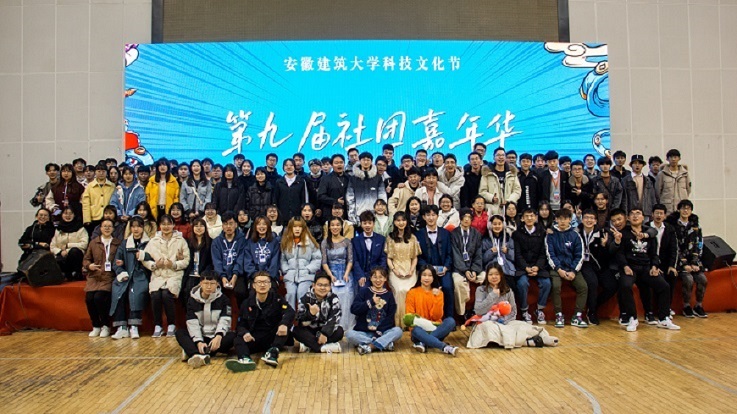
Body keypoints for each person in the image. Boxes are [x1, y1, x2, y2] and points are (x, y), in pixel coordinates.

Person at [617, 208, 680, 332]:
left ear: (643, 217)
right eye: (632, 214)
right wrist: (625, 266)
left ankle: (664, 318)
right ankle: (632, 317)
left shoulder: (649, 233)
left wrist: (654, 266)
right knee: (625, 285)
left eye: (638, 214)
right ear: (628, 218)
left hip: (646, 267)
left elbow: (654, 254)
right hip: (630, 267)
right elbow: (620, 253)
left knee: (664, 286)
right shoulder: (623, 233)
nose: (635, 216)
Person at [227, 271, 295, 371]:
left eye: (265, 282)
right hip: (254, 338)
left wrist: (284, 324)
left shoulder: (277, 300)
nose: (262, 285)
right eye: (259, 282)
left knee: (285, 328)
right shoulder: (246, 303)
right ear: (254, 285)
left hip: (272, 338)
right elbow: (240, 324)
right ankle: (245, 359)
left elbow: (290, 312)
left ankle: (272, 353)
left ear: (270, 285)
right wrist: (245, 333)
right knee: (237, 339)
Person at [142, 214, 191, 338]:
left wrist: (173, 264)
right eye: (163, 224)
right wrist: (154, 265)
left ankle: (171, 325)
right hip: (158, 274)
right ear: (159, 226)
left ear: (173, 225)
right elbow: (145, 259)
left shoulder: (181, 240)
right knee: (155, 295)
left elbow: (186, 261)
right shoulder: (153, 241)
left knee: (166, 294)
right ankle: (158, 325)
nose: (166, 227)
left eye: (169, 224)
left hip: (174, 274)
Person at [177, 270, 236, 368]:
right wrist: (198, 341)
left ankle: (193, 351)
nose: (209, 287)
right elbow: (192, 323)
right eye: (206, 283)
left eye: (212, 283)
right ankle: (196, 355)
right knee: (180, 333)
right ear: (200, 283)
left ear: (217, 284)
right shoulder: (192, 300)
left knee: (233, 336)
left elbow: (225, 320)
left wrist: (218, 336)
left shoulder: (224, 299)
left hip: (216, 337)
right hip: (201, 336)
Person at [545, 208, 588, 328]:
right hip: (556, 268)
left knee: (583, 287)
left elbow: (580, 255)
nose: (562, 221)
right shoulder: (550, 235)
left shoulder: (575, 235)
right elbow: (550, 254)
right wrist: (559, 269)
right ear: (556, 220)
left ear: (570, 219)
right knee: (555, 286)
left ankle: (577, 316)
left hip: (572, 268)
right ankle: (559, 315)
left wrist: (573, 271)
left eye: (565, 219)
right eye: (560, 219)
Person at [346, 267, 403, 354]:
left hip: (382, 332)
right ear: (371, 278)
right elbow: (354, 309)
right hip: (364, 332)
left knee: (398, 331)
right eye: (375, 277)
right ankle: (383, 344)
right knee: (349, 334)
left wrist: (379, 332)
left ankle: (370, 346)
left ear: (385, 278)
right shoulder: (364, 292)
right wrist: (371, 302)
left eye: (381, 277)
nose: (378, 280)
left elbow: (390, 317)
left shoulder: (389, 295)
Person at [110, 216, 150, 340]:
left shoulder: (149, 243)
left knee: (136, 292)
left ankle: (134, 326)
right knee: (118, 291)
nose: (136, 229)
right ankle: (121, 327)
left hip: (141, 276)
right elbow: (117, 262)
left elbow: (153, 258)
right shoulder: (124, 243)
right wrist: (121, 272)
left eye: (139, 226)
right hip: (126, 275)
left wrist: (144, 256)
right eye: (133, 226)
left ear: (143, 228)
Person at [406, 265, 458, 356]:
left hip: (435, 328)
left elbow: (437, 316)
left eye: (430, 275)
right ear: (420, 276)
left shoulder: (439, 293)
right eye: (424, 275)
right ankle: (444, 347)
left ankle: (423, 342)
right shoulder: (412, 293)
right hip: (419, 331)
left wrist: (437, 298)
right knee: (415, 329)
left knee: (451, 321)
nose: (427, 278)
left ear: (434, 277)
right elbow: (410, 317)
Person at [512, 208, 552, 325]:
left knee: (547, 283)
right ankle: (524, 310)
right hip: (522, 267)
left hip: (538, 266)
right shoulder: (516, 234)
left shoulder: (542, 233)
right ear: (522, 218)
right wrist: (526, 267)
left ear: (536, 218)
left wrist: (537, 267)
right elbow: (517, 254)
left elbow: (543, 254)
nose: (529, 218)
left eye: (532, 216)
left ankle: (540, 310)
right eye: (527, 216)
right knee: (522, 283)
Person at [668, 200, 708, 318]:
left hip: (694, 262)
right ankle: (686, 306)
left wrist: (695, 262)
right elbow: (674, 247)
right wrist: (684, 264)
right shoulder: (673, 226)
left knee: (702, 279)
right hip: (679, 263)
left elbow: (699, 245)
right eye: (683, 208)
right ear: (679, 210)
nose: (685, 211)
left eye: (688, 208)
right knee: (688, 279)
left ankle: (698, 305)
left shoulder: (696, 227)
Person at [83, 218, 121, 338]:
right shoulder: (94, 243)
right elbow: (86, 259)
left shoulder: (117, 243)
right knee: (89, 298)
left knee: (99, 298)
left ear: (113, 229)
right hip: (94, 276)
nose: (107, 228)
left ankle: (106, 325)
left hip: (109, 277)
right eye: (105, 226)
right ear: (100, 228)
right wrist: (89, 265)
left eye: (109, 226)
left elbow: (121, 258)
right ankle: (96, 325)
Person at [416, 205, 454, 319]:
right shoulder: (418, 234)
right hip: (426, 270)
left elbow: (450, 254)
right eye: (428, 215)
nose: (431, 218)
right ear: (424, 217)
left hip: (443, 269)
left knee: (447, 287)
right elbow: (418, 256)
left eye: (433, 215)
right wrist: (428, 269)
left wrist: (446, 267)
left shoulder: (446, 233)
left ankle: (449, 318)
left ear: (437, 216)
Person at [385, 211, 421, 327]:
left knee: (408, 290)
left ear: (407, 221)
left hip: (409, 269)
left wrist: (411, 270)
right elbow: (389, 258)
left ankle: (410, 322)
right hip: (395, 269)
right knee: (400, 290)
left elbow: (415, 257)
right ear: (394, 222)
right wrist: (394, 270)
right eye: (398, 220)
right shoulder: (390, 238)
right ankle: (398, 323)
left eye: (403, 220)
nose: (401, 223)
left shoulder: (412, 238)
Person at [293, 273, 344, 353]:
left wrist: (325, 333)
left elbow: (335, 317)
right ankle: (324, 348)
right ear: (314, 285)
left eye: (326, 285)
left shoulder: (334, 298)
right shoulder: (305, 298)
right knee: (296, 331)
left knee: (339, 331)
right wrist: (310, 314)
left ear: (330, 286)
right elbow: (300, 319)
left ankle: (310, 346)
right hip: (310, 330)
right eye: (320, 285)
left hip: (325, 330)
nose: (323, 288)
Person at [577, 209, 611, 326]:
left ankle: (594, 305)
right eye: (586, 218)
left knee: (611, 286)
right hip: (584, 264)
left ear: (596, 221)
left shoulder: (602, 234)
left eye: (592, 218)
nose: (589, 220)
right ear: (582, 220)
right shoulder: (576, 232)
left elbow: (606, 256)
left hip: (599, 265)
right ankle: (591, 312)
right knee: (593, 283)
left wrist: (603, 245)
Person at [280, 217, 322, 309]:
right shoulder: (286, 242)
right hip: (290, 276)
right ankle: (290, 317)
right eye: (295, 226)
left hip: (306, 276)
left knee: (301, 294)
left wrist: (308, 269)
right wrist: (286, 270)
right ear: (290, 228)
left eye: (300, 227)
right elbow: (283, 260)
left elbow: (317, 259)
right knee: (290, 294)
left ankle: (302, 317)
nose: (297, 229)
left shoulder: (310, 242)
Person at [647, 203, 679, 321]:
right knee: (657, 280)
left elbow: (674, 249)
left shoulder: (670, 229)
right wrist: (654, 265)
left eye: (661, 213)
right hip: (650, 262)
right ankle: (652, 310)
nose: (659, 216)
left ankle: (666, 307)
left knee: (672, 275)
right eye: (657, 213)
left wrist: (671, 266)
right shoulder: (646, 228)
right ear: (652, 214)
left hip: (665, 263)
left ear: (665, 216)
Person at [450, 208, 485, 318]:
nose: (466, 220)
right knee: (458, 283)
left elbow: (478, 254)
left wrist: (474, 270)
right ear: (460, 218)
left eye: (469, 217)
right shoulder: (454, 234)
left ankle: (478, 309)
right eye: (464, 217)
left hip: (474, 268)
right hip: (459, 269)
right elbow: (455, 255)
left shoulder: (476, 234)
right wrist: (465, 270)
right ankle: (462, 313)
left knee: (485, 277)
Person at [322, 216, 355, 330]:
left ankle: (346, 326)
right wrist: (330, 275)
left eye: (337, 225)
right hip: (331, 273)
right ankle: (333, 326)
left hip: (345, 272)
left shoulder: (347, 242)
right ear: (329, 227)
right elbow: (324, 262)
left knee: (347, 293)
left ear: (341, 227)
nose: (335, 227)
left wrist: (346, 273)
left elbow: (350, 260)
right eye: (332, 225)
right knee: (333, 293)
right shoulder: (325, 242)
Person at [212, 212, 248, 305]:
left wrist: (234, 276)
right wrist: (223, 277)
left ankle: (241, 313)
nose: (228, 226)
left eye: (231, 223)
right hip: (221, 274)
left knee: (241, 291)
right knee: (214, 290)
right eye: (225, 224)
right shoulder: (216, 242)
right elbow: (217, 261)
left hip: (238, 274)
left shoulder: (242, 240)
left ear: (236, 224)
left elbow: (241, 259)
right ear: (222, 226)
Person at [347, 151, 387, 225]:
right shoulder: (353, 178)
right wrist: (351, 215)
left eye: (368, 160)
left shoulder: (377, 178)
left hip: (374, 215)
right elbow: (350, 198)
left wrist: (382, 212)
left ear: (371, 162)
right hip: (358, 215)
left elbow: (382, 196)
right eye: (363, 160)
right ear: (359, 161)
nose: (366, 162)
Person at [352, 211, 388, 291]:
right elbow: (355, 261)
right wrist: (360, 275)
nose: (367, 225)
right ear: (361, 224)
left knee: (381, 291)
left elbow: (383, 258)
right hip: (363, 273)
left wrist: (379, 274)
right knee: (363, 289)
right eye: (364, 223)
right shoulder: (355, 241)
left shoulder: (381, 239)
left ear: (373, 224)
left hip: (378, 273)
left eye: (369, 223)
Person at [479, 147, 521, 215]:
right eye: (498, 155)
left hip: (509, 209)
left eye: (502, 155)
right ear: (494, 157)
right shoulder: (487, 174)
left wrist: (509, 201)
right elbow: (482, 191)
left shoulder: (512, 173)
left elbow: (517, 191)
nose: (500, 157)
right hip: (493, 209)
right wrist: (492, 198)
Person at [50, 207, 88, 280]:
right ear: (62, 215)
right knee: (57, 260)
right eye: (65, 213)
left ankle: (76, 273)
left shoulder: (80, 228)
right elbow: (52, 246)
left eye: (70, 214)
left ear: (74, 215)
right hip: (62, 254)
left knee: (74, 252)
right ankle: (65, 275)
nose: (68, 216)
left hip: (76, 255)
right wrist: (60, 252)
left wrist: (68, 246)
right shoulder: (58, 229)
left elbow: (84, 244)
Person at [181, 218, 213, 307]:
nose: (199, 228)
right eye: (196, 226)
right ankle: (189, 312)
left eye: (201, 226)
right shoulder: (188, 242)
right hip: (190, 272)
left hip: (204, 273)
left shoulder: (211, 242)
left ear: (205, 228)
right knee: (186, 290)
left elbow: (211, 262)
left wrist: (205, 273)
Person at [244, 216, 281, 281]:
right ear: (255, 227)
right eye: (259, 224)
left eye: (264, 224)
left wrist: (268, 275)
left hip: (271, 277)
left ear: (268, 226)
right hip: (254, 277)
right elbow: (248, 262)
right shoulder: (249, 243)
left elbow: (275, 263)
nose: (261, 226)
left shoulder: (274, 242)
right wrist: (255, 275)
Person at [82, 163, 115, 234]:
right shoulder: (90, 186)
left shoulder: (112, 186)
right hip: (94, 216)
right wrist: (87, 219)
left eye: (103, 171)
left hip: (108, 217)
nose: (101, 173)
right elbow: (86, 203)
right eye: (99, 171)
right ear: (95, 172)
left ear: (107, 172)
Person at [622, 154, 658, 220]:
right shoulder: (625, 180)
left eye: (640, 163)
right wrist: (625, 213)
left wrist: (654, 211)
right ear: (631, 165)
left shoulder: (648, 180)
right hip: (632, 212)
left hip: (646, 212)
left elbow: (652, 197)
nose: (637, 165)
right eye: (635, 163)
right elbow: (624, 199)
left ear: (643, 165)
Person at [273, 158, 308, 225]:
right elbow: (276, 199)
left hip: (297, 215)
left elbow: (304, 199)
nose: (289, 167)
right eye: (286, 165)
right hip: (283, 216)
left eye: (291, 165)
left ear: (294, 167)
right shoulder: (279, 182)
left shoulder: (301, 181)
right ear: (283, 167)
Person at [656, 149, 691, 214]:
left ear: (679, 158)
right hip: (667, 207)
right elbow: (658, 191)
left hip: (681, 207)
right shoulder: (662, 174)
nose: (673, 159)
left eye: (675, 157)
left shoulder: (685, 174)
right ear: (667, 159)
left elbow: (688, 190)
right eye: (671, 157)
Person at [317, 154, 349, 219]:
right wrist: (335, 201)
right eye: (336, 163)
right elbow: (321, 196)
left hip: (346, 213)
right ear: (332, 165)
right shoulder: (326, 179)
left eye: (341, 162)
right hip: (330, 212)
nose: (339, 165)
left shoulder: (349, 178)